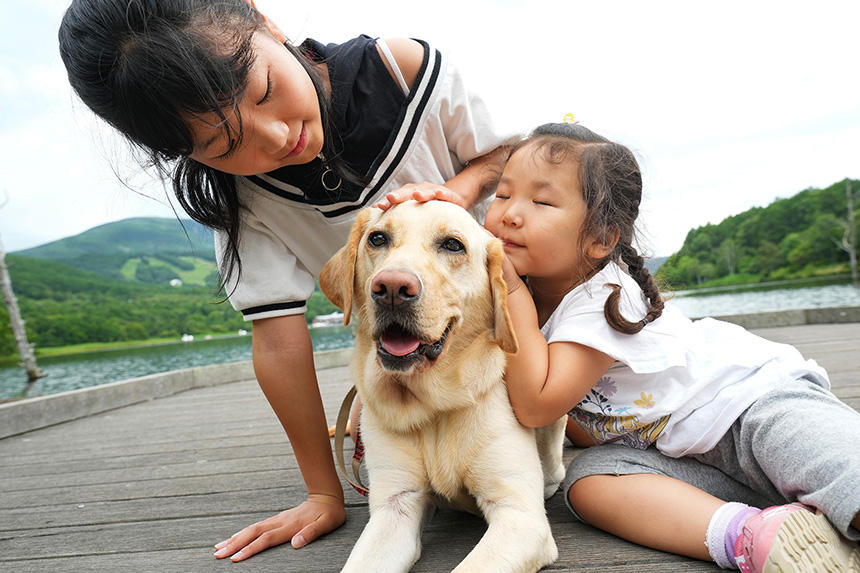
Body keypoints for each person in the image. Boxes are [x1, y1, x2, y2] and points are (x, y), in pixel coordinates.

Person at [58, 0, 511, 561]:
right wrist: (323, 492)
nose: (275, 137)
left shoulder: (401, 71)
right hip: (421, 366)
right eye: (225, 145)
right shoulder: (240, 201)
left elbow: (512, 155)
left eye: (266, 89)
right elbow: (277, 338)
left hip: (524, 325)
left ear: (263, 21)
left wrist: (462, 192)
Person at [484, 122, 860, 572]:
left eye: (541, 201)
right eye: (503, 195)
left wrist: (510, 297)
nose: (509, 214)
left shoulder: (604, 295)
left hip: (754, 406)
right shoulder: (534, 297)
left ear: (600, 239)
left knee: (847, 479)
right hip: (685, 455)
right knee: (589, 482)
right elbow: (582, 421)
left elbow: (537, 406)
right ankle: (755, 535)